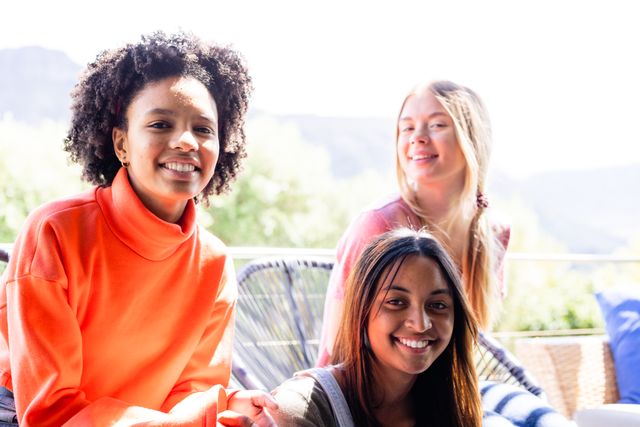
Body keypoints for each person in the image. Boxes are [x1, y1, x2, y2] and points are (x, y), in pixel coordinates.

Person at [0, 31, 276, 426]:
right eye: (161, 124)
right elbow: (49, 412)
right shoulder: (54, 233)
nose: (185, 141)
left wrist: (223, 409)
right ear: (121, 144)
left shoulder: (214, 264)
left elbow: (194, 395)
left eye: (203, 129)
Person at [317, 80, 510, 366]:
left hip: (445, 393)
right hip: (366, 397)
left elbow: (469, 344)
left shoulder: (495, 232)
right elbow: (339, 349)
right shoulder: (377, 225)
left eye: (436, 125)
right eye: (407, 127)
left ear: (472, 137)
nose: (417, 137)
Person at [271, 228, 484, 426]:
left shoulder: (453, 407)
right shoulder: (299, 408)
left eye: (437, 305)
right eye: (396, 302)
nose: (420, 324)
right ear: (361, 309)